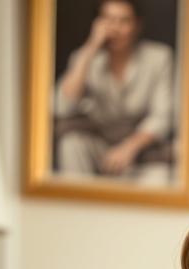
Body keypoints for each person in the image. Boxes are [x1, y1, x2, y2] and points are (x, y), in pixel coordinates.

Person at [53, 0, 174, 185]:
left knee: (161, 176)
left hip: (144, 150)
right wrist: (91, 46)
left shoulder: (158, 57)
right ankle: (77, 208)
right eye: (108, 20)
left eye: (124, 21)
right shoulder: (85, 58)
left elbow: (162, 116)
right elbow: (62, 106)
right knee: (71, 144)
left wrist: (129, 147)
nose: (115, 28)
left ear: (137, 25)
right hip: (100, 147)